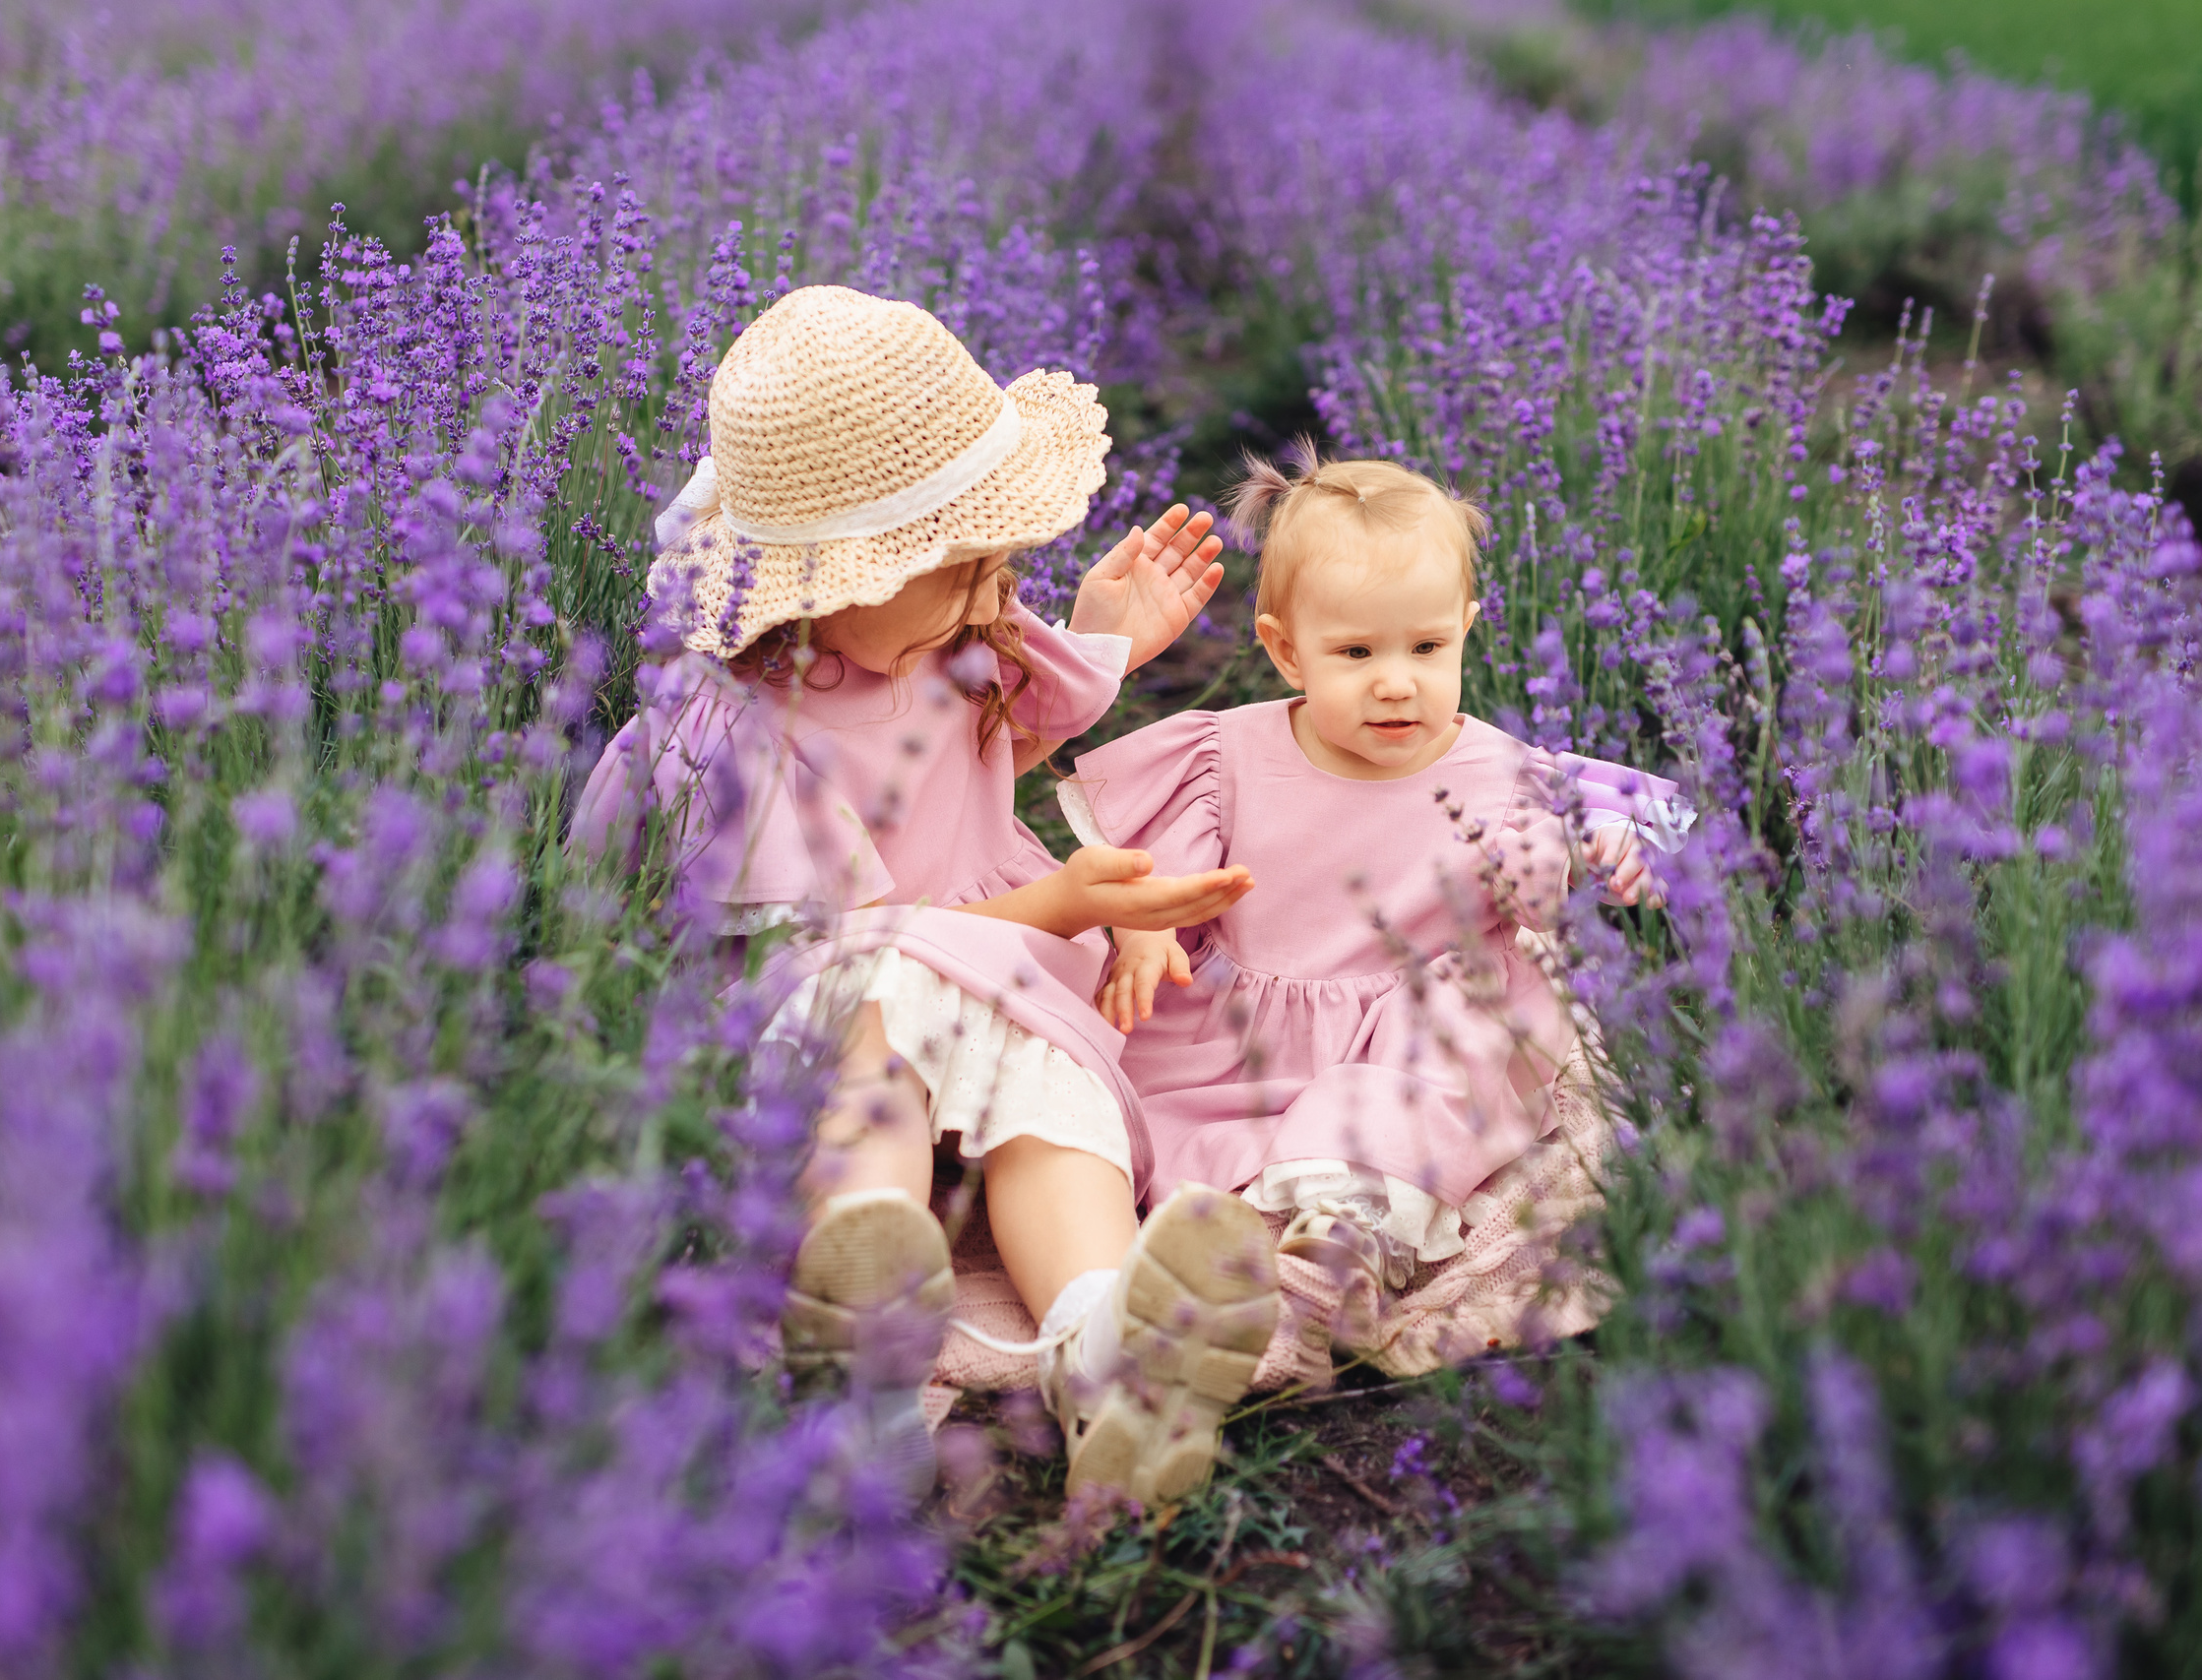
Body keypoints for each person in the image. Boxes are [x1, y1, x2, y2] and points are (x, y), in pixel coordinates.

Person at [573, 285, 1281, 1504]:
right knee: (874, 1055)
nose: (1000, 593)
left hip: (994, 966)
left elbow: (1006, 734)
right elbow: (839, 947)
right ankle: (871, 1354)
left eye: (1006, 564)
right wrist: (1063, 907)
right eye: (969, 567)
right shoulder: (737, 732)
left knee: (1052, 1103)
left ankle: (1103, 1340)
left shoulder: (957, 635)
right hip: (820, 1001)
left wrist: (1107, 636)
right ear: (832, 586)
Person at [1058, 443, 1690, 1341]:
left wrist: (1623, 847)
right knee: (1154, 1138)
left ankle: (1336, 1250)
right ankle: (1228, 1244)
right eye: (1354, 651)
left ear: (1466, 627)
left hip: (1415, 1038)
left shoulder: (1506, 776)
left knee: (1403, 1099)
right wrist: (1146, 934)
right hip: (1237, 1035)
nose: (1397, 680)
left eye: (1428, 646)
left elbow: (1664, 826)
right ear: (1285, 652)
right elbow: (1154, 873)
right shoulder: (1223, 757)